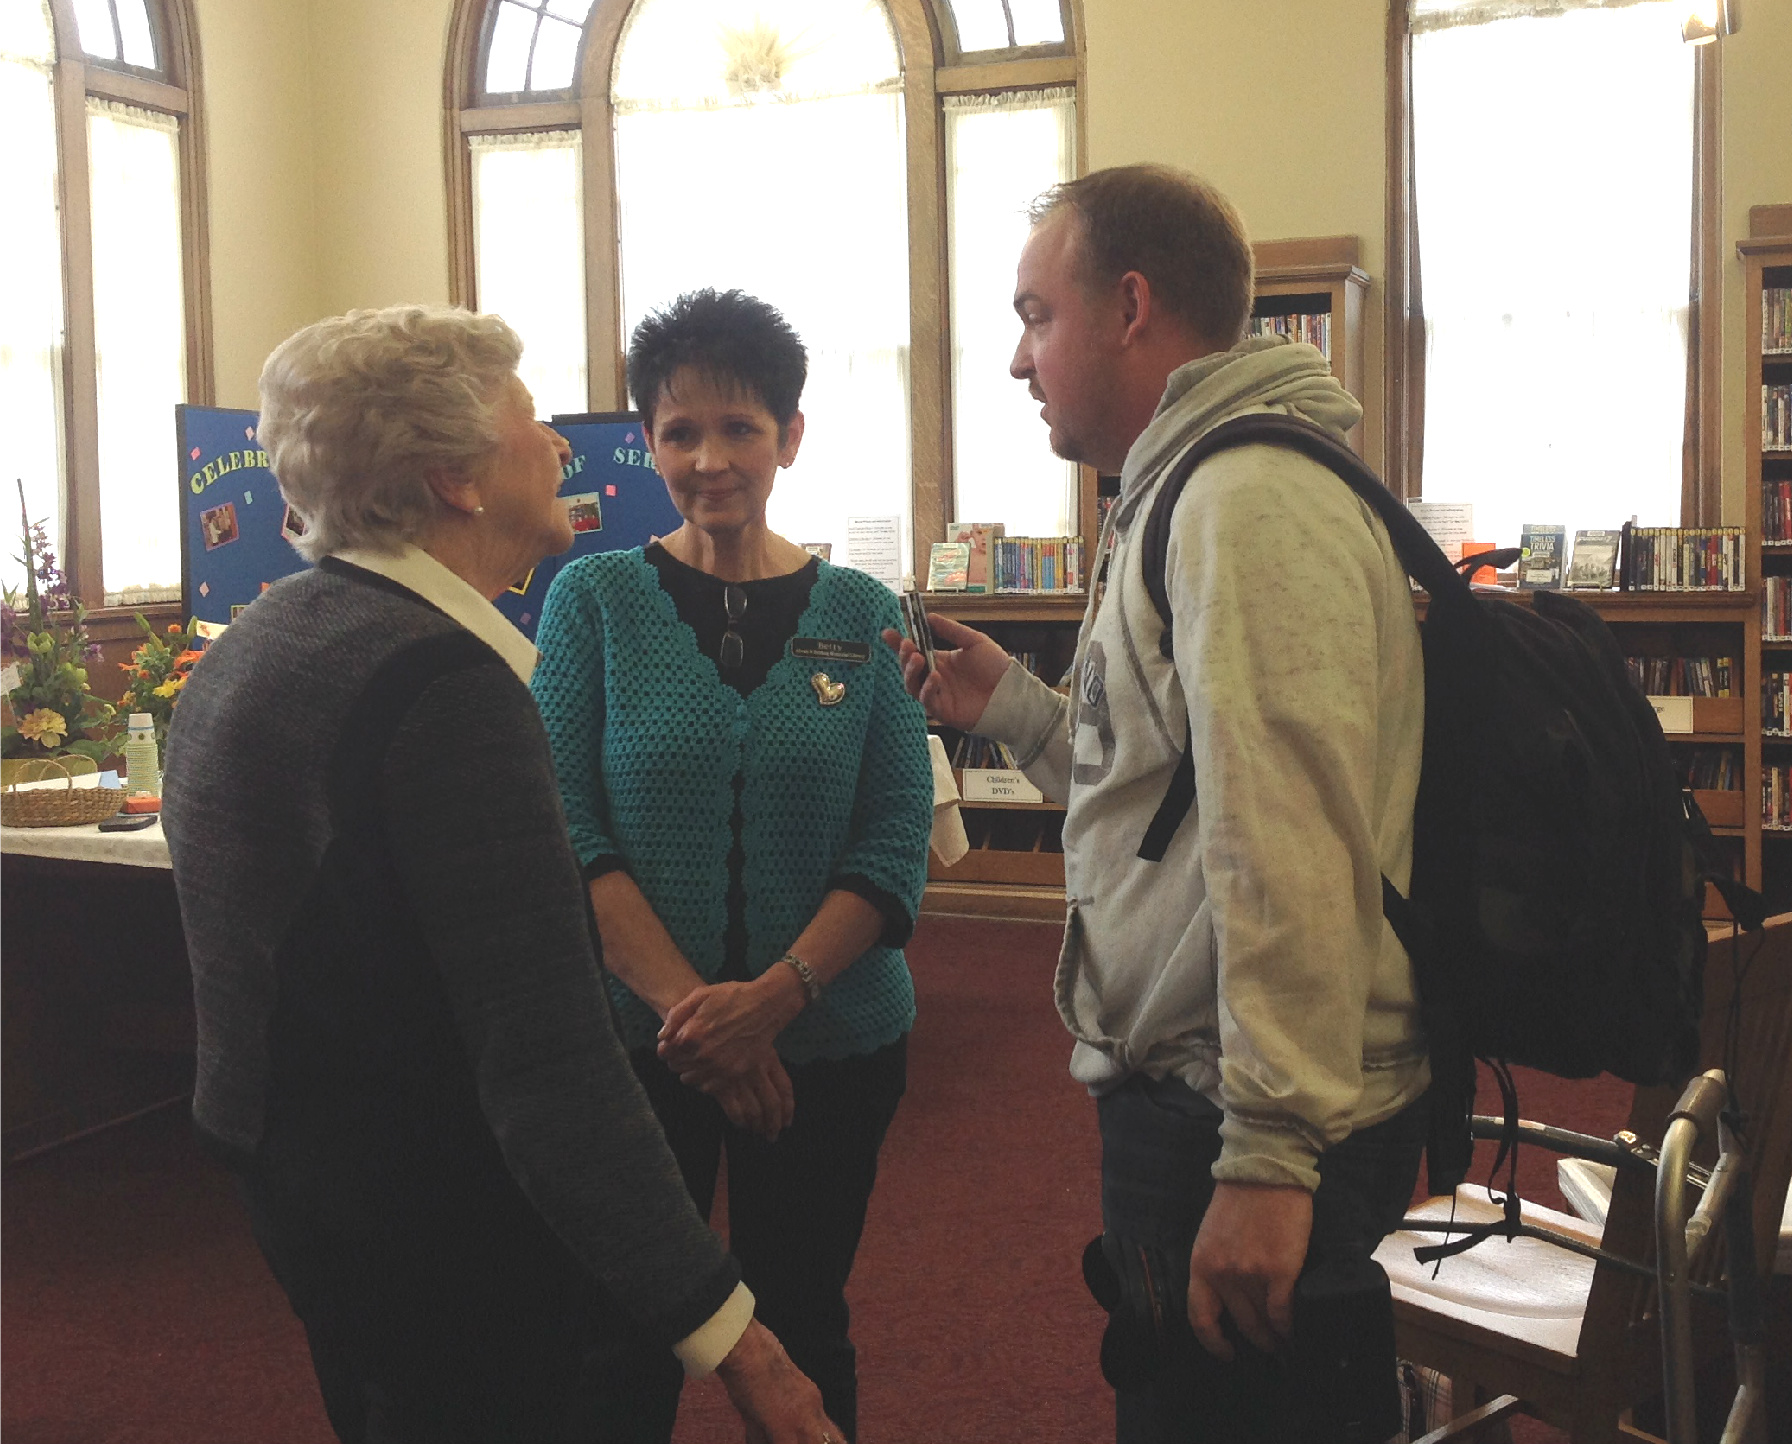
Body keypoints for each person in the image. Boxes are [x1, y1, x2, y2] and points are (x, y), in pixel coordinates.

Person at [161, 304, 844, 1444]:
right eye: (531, 422)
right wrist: (740, 1341)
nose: (567, 449)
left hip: (310, 1191)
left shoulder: (261, 642)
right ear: (456, 480)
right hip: (443, 1226)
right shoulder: (445, 693)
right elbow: (549, 1069)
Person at [888, 166, 1432, 1441]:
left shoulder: (1240, 502)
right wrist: (1016, 710)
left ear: (1130, 305)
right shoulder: (1186, 488)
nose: (1020, 362)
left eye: (1035, 315)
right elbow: (1163, 802)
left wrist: (1268, 1157)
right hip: (1207, 1087)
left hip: (1234, 1109)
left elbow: (1283, 839)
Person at [530, 288, 933, 1443]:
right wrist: (701, 1022)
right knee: (624, 1326)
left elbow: (894, 836)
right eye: (678, 432)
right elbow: (567, 823)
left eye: (739, 429)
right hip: (637, 1047)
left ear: (789, 438)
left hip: (835, 1041)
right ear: (647, 442)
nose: (709, 459)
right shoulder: (593, 599)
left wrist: (773, 1003)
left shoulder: (858, 611)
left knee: (804, 1317)